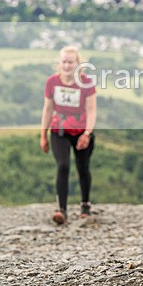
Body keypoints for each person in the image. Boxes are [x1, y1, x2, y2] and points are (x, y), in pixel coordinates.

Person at [40, 46, 97, 225]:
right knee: (63, 166)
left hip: (81, 131)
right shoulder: (52, 82)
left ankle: (85, 205)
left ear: (78, 64)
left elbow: (92, 110)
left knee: (83, 168)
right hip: (60, 130)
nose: (66, 65)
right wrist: (43, 134)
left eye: (70, 62)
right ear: (59, 63)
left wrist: (87, 133)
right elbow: (48, 108)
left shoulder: (86, 82)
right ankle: (61, 210)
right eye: (64, 61)